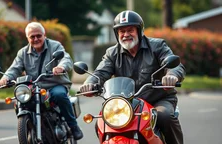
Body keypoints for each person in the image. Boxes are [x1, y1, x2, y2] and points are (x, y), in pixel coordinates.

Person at [79, 10, 185, 144]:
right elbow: (100, 72)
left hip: (157, 100)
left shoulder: (157, 46)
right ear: (117, 34)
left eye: (130, 30)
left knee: (164, 117)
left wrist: (172, 75)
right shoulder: (112, 53)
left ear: (139, 31)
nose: (126, 34)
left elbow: (175, 65)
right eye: (122, 31)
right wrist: (89, 83)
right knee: (101, 122)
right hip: (126, 105)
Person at [0, 22, 83, 140]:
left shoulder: (55, 46)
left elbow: (65, 58)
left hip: (54, 84)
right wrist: (5, 78)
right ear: (28, 38)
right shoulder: (23, 53)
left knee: (60, 95)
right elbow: (15, 68)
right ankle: (30, 127)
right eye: (32, 37)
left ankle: (73, 126)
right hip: (33, 88)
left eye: (38, 35)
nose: (36, 39)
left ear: (44, 35)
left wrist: (61, 67)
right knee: (19, 101)